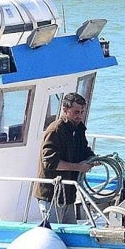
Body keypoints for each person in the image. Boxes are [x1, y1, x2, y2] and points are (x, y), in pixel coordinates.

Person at [37, 92, 97, 224]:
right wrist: (79, 167)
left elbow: (83, 150)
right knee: (53, 231)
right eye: (76, 112)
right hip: (51, 195)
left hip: (69, 195)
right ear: (65, 110)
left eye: (82, 112)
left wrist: (93, 159)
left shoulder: (78, 129)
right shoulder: (55, 130)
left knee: (70, 231)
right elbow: (50, 162)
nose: (79, 116)